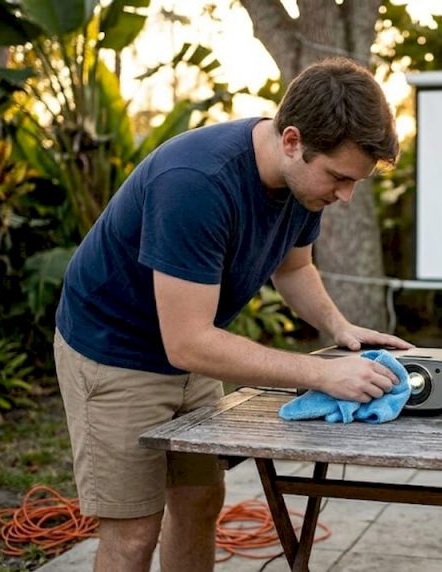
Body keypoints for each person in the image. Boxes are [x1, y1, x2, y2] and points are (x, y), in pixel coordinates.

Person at [53, 57, 412, 572]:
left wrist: (339, 328)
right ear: (292, 140)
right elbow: (189, 342)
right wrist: (321, 373)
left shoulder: (298, 186)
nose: (345, 195)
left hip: (192, 350)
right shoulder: (196, 182)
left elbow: (294, 269)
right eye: (338, 177)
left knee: (198, 502)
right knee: (133, 534)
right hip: (114, 352)